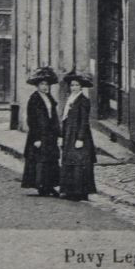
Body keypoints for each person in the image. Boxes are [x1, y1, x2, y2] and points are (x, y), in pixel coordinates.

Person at [20, 67, 61, 197]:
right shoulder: (34, 99)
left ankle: (50, 185)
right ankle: (42, 186)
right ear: (37, 86)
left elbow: (53, 117)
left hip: (50, 135)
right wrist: (36, 138)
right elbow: (31, 120)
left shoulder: (49, 98)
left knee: (51, 160)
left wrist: (58, 133)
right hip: (39, 135)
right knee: (40, 161)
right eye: (42, 84)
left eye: (46, 84)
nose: (45, 87)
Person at [58, 71, 98, 201]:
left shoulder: (83, 100)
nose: (74, 87)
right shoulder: (70, 99)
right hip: (69, 134)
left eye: (76, 85)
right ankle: (69, 190)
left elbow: (84, 121)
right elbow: (64, 120)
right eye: (72, 85)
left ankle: (80, 191)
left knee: (79, 163)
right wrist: (62, 135)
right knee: (69, 161)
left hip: (79, 135)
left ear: (81, 87)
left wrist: (80, 138)